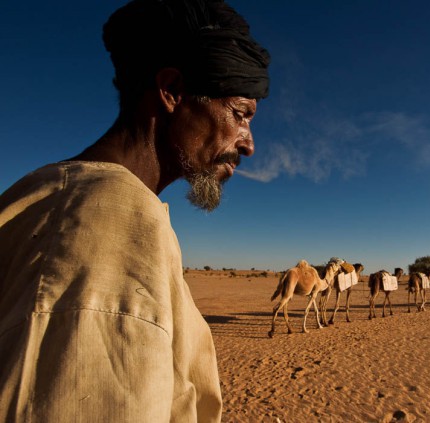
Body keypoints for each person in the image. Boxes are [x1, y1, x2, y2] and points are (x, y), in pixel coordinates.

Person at [0, 0, 269, 421]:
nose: (248, 143)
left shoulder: (46, 191)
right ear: (173, 92)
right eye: (240, 114)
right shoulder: (110, 218)